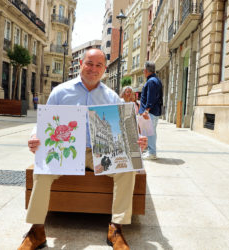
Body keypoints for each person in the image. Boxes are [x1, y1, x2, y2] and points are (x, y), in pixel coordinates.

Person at [19, 48, 148, 250]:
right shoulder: (60, 92)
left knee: (127, 169)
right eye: (89, 63)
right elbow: (42, 123)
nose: (93, 69)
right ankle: (37, 230)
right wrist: (34, 136)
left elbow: (126, 128)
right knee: (41, 171)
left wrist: (137, 139)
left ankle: (116, 227)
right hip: (68, 149)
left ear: (105, 69)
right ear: (81, 64)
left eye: (99, 65)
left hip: (101, 151)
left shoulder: (112, 96)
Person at [139, 61, 163, 160]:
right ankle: (149, 151)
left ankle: (152, 153)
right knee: (149, 132)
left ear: (146, 70)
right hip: (153, 112)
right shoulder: (155, 80)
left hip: (150, 112)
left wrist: (146, 110)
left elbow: (151, 97)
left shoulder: (151, 81)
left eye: (144, 70)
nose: (143, 71)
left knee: (150, 133)